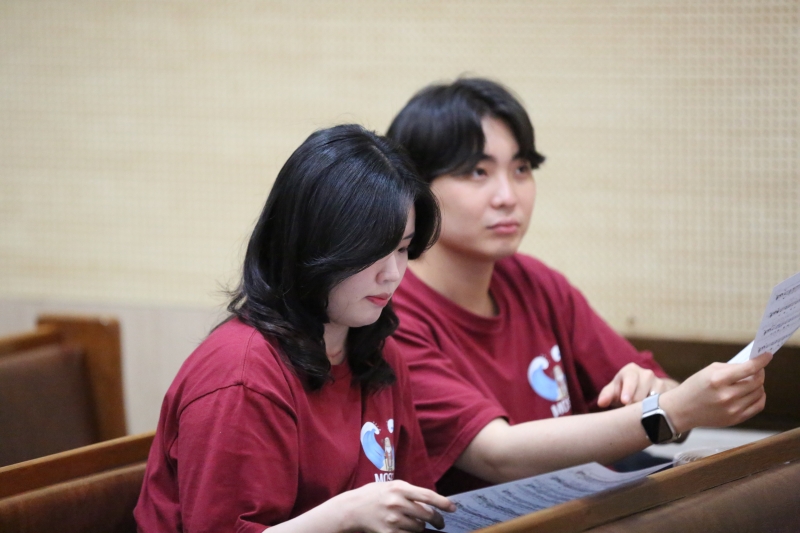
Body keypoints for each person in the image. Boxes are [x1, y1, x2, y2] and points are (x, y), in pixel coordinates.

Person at [386, 78, 772, 495]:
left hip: (585, 503)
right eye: (478, 172)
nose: (508, 196)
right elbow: (497, 455)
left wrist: (656, 393)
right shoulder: (390, 311)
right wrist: (669, 412)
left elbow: (665, 393)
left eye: (521, 169)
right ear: (416, 190)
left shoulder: (533, 281)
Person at [134, 124, 455, 532]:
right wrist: (347, 514)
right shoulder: (242, 376)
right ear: (312, 246)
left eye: (403, 248)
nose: (392, 274)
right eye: (373, 250)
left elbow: (417, 512)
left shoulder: (378, 352)